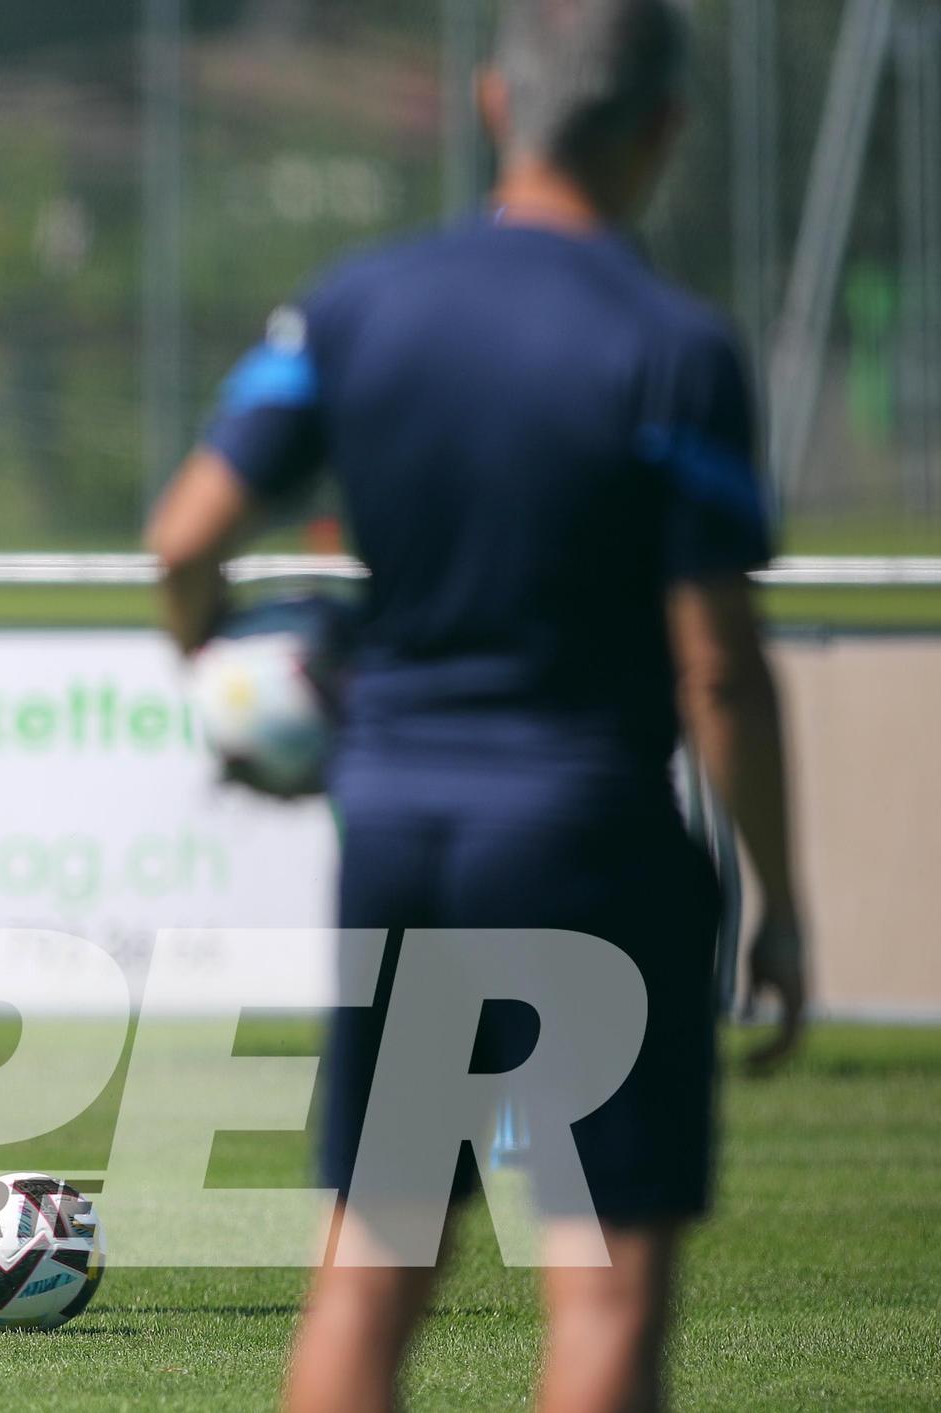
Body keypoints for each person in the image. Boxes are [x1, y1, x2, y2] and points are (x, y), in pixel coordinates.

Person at [147, 3, 806, 1408]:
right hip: (589, 837)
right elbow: (722, 670)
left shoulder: (355, 305)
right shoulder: (675, 345)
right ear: (663, 131)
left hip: (399, 833)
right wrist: (780, 894)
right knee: (604, 1284)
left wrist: (226, 685)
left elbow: (183, 541)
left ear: (499, 104)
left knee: (373, 1261)